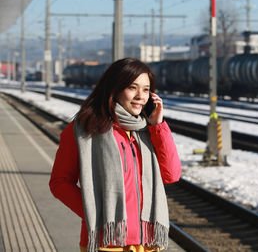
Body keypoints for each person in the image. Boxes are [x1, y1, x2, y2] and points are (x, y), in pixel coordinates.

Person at [49, 58, 181, 252]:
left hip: (148, 243)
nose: (140, 96)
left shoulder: (148, 130)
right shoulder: (84, 130)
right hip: (107, 242)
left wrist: (159, 126)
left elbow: (171, 175)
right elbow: (59, 183)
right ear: (115, 88)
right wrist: (94, 212)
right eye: (132, 87)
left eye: (146, 89)